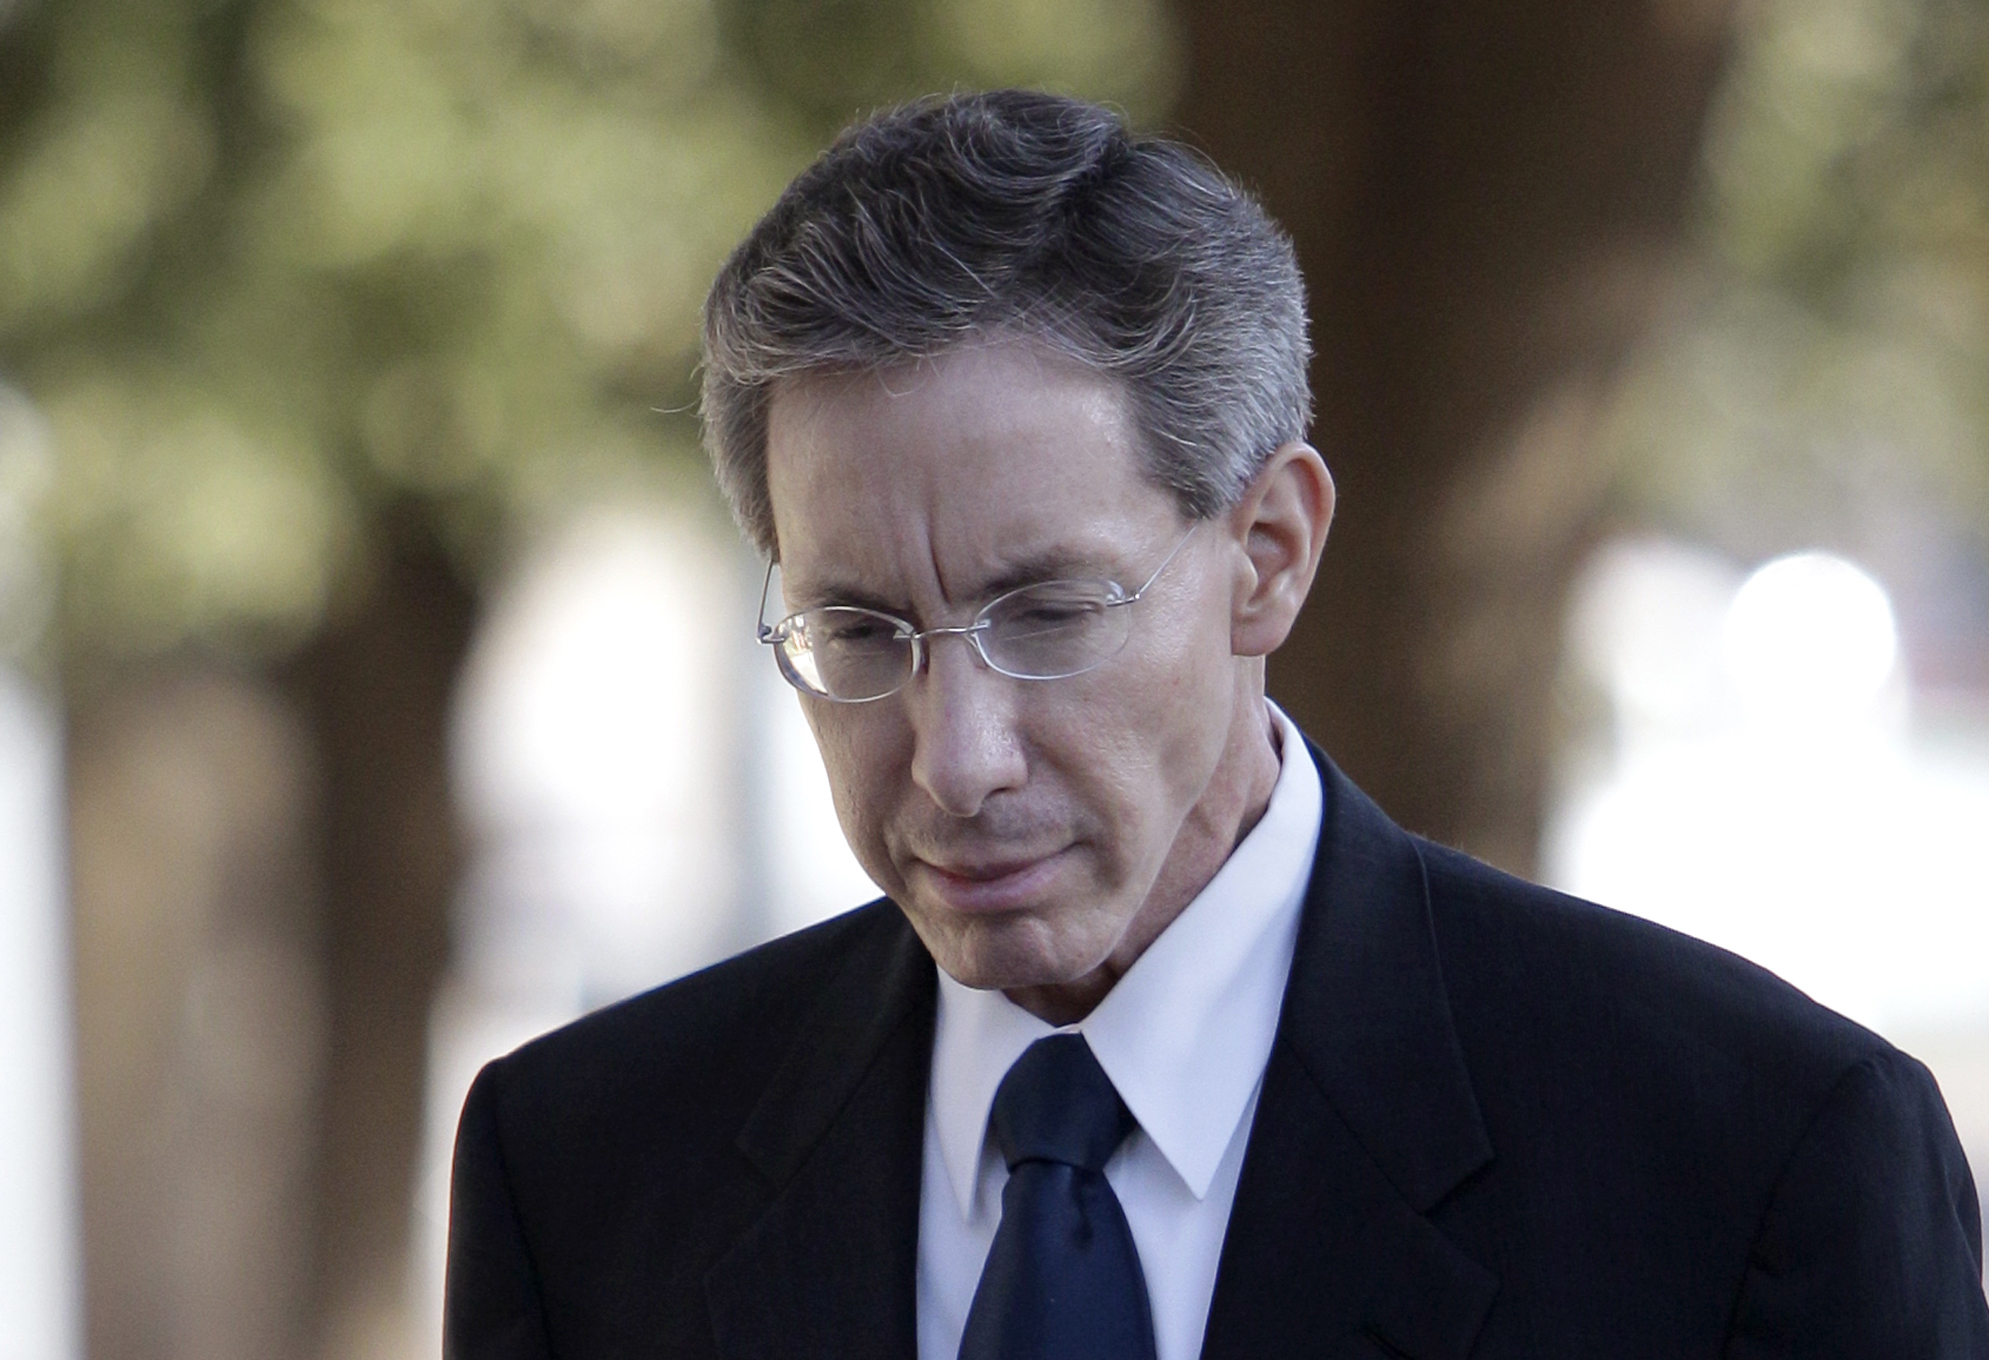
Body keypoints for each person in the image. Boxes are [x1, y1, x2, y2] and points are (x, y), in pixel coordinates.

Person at [444, 90, 1988, 1359]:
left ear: (1270, 556)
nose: (956, 756)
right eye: (859, 631)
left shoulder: (1757, 1164)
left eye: (1046, 614)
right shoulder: (581, 1174)